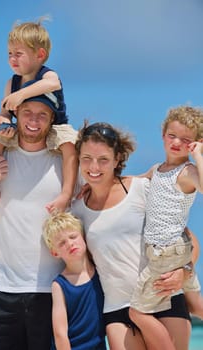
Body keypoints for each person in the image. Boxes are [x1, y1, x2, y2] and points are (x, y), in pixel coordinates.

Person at [71, 121, 199, 350]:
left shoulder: (141, 189)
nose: (94, 167)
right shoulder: (77, 209)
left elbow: (188, 237)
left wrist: (185, 271)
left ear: (117, 159)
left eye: (103, 159)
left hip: (164, 296)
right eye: (86, 158)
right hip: (116, 308)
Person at [0, 88, 73, 349]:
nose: (34, 121)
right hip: (2, 288)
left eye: (42, 115)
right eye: (27, 113)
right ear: (16, 114)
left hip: (54, 292)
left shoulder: (65, 162)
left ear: (52, 120)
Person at [0, 19, 78, 212]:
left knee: (71, 143)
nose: (12, 59)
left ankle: (66, 193)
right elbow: (4, 113)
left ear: (40, 55)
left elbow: (53, 85)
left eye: (19, 54)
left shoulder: (47, 75)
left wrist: (21, 95)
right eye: (10, 54)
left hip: (55, 127)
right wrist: (5, 124)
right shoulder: (12, 83)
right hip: (24, 126)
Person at [128, 106, 203, 347]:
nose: (177, 142)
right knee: (197, 305)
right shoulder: (157, 170)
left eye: (186, 140)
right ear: (163, 134)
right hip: (175, 250)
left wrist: (199, 154)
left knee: (136, 313)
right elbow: (133, 181)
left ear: (194, 144)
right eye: (172, 135)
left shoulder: (188, 171)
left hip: (166, 252)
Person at [42, 211, 106, 350]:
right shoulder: (60, 285)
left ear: (83, 236)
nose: (70, 244)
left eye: (73, 236)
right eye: (62, 243)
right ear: (55, 253)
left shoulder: (100, 271)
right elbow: (60, 333)